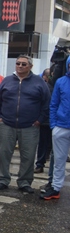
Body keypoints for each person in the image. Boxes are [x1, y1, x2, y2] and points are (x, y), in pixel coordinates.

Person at [0, 55, 50, 193]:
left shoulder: (39, 83)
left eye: (24, 64)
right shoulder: (6, 81)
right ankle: (3, 179)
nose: (20, 66)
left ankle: (24, 182)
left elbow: (46, 103)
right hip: (6, 124)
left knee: (28, 155)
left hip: (30, 126)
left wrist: (39, 120)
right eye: (18, 63)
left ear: (30, 66)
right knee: (4, 153)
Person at [41, 55, 70, 200]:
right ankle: (56, 188)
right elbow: (54, 104)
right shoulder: (61, 82)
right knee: (59, 160)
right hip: (61, 126)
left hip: (61, 125)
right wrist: (54, 125)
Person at [35, 68, 53, 173]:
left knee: (44, 143)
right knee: (43, 143)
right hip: (46, 120)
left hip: (50, 120)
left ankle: (41, 164)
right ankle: (40, 163)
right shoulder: (44, 87)